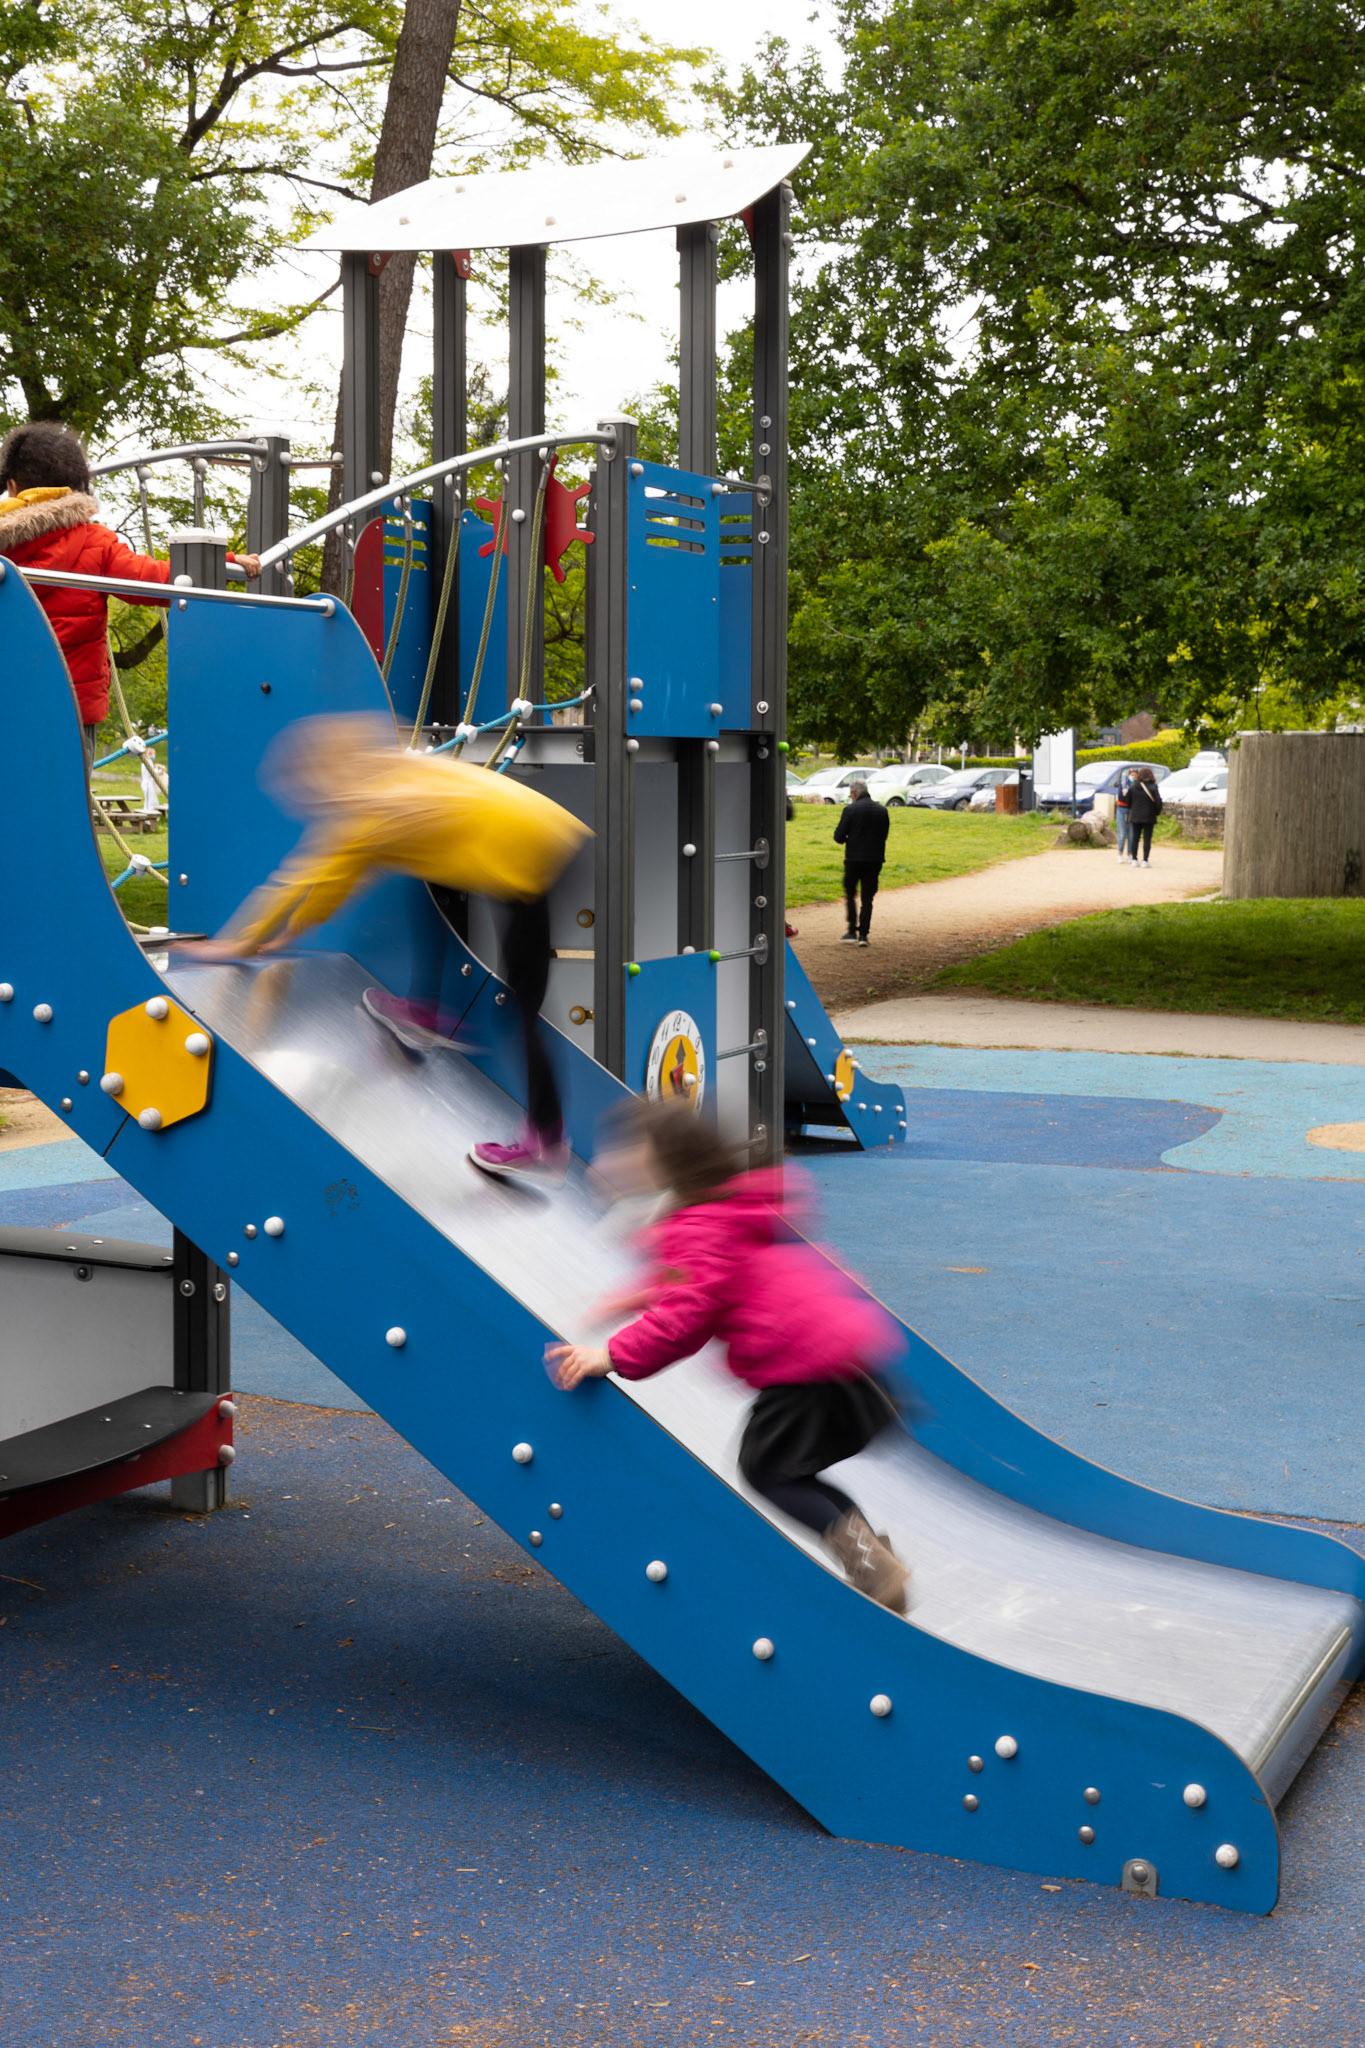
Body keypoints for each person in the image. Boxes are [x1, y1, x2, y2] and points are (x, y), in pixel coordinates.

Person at [183, 712, 590, 1184]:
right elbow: (328, 887)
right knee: (431, 875)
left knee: (518, 1013)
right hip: (544, 830)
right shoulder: (401, 780)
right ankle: (426, 1011)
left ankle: (545, 1143)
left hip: (524, 853)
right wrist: (280, 938)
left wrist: (244, 944)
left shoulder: (363, 814)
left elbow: (300, 883)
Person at [547, 1099, 913, 1612]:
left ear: (664, 1163)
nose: (617, 1166)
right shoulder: (724, 1209)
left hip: (805, 1369)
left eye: (629, 1156)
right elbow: (697, 1278)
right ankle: (874, 1561)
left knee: (766, 1470)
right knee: (790, 1473)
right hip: (848, 1362)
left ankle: (872, 1564)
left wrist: (611, 1355)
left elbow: (687, 1315)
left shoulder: (694, 1225)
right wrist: (629, 1298)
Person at [0, 422, 260, 780]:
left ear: (12, 486)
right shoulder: (93, 542)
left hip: (9, 697)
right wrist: (222, 564)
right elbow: (153, 581)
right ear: (77, 486)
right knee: (66, 801)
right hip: (68, 702)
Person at [833, 777, 890, 945]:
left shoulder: (850, 810)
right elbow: (884, 835)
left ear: (854, 793)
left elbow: (838, 837)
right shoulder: (882, 810)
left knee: (850, 894)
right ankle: (864, 935)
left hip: (854, 859)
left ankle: (851, 931)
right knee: (867, 898)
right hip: (875, 859)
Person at [1126, 765, 1163, 868]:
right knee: (1147, 839)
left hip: (1136, 816)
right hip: (1149, 816)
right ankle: (1145, 860)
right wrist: (1156, 812)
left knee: (1135, 838)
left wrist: (1133, 809)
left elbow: (1128, 802)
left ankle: (1134, 859)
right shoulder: (1153, 787)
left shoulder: (1133, 786)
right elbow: (1159, 802)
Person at [1114, 767, 1135, 864]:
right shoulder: (1123, 784)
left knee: (1131, 834)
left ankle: (1130, 854)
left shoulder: (1137, 785)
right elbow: (1121, 797)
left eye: (1135, 775)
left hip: (1132, 811)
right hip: (1121, 809)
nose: (1133, 777)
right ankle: (1120, 854)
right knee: (1122, 834)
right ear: (1128, 775)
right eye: (1132, 775)